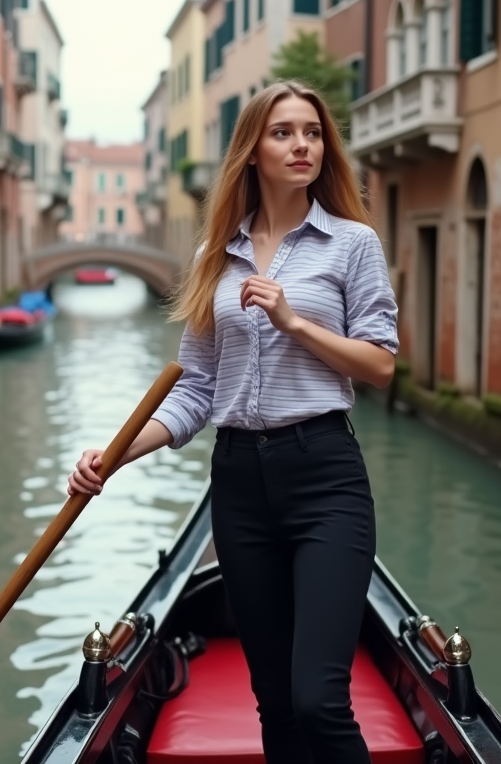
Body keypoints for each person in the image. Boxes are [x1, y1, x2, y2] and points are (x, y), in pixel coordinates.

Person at [66, 80, 398, 763]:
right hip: (240, 484)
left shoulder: (352, 244)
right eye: (283, 132)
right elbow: (194, 393)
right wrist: (117, 454)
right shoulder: (215, 256)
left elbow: (379, 364)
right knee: (274, 703)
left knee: (318, 699)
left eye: (312, 132)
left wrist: (293, 320)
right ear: (252, 151)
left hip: (324, 477)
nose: (302, 144)